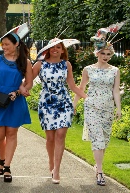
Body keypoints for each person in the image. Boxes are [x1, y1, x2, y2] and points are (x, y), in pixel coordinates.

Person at [31, 38, 87, 184]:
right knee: (50, 138)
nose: (55, 49)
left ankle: (56, 169)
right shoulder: (40, 64)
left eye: (58, 47)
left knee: (61, 135)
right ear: (48, 49)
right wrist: (19, 89)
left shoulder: (66, 64)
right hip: (46, 103)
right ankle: (51, 163)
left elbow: (73, 86)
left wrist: (88, 98)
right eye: (52, 47)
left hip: (64, 102)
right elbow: (28, 82)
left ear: (63, 50)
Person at [73, 26, 122, 186]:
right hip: (92, 108)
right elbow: (80, 89)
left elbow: (115, 91)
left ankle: (98, 165)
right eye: (103, 53)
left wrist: (119, 108)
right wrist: (74, 105)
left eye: (109, 54)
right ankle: (100, 172)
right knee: (98, 140)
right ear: (97, 53)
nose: (106, 56)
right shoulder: (88, 70)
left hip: (108, 109)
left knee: (105, 140)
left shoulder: (115, 71)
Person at [0, 32, 33, 183]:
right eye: (2, 45)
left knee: (11, 133)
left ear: (16, 44)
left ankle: (7, 167)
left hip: (15, 100)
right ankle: (2, 159)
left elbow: (28, 82)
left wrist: (20, 90)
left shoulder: (25, 62)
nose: (3, 47)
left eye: (7, 44)